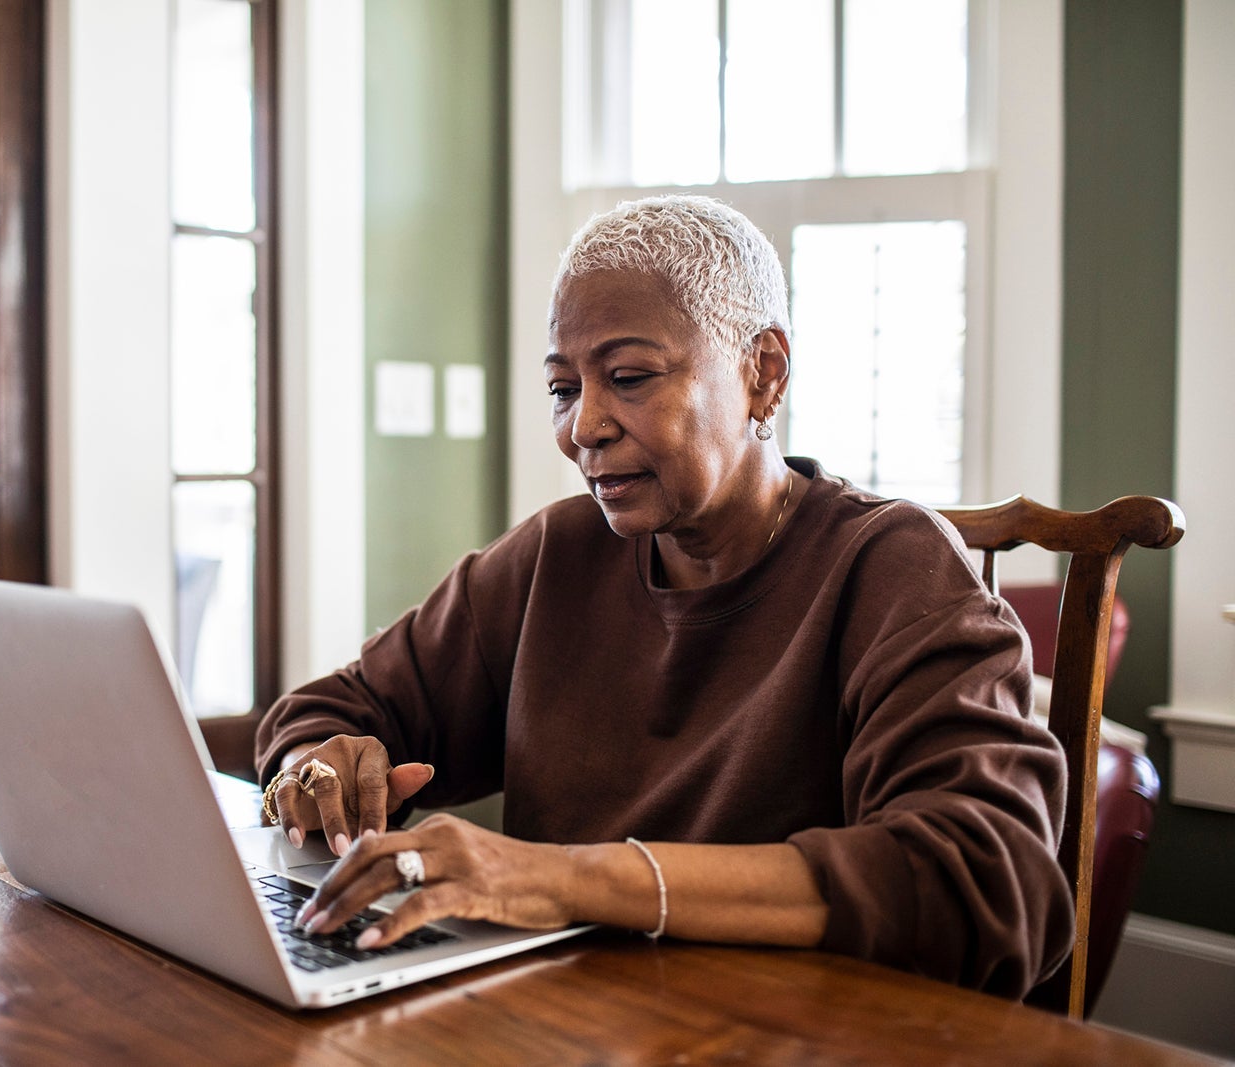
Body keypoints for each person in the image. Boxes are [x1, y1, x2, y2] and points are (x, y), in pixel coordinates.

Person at [254, 194, 1073, 998]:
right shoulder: (556, 555)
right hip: (571, 1022)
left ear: (763, 375)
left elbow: (986, 884)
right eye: (563, 388)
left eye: (630, 377)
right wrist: (319, 763)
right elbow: (336, 707)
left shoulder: (893, 567)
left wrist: (568, 877)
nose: (584, 427)